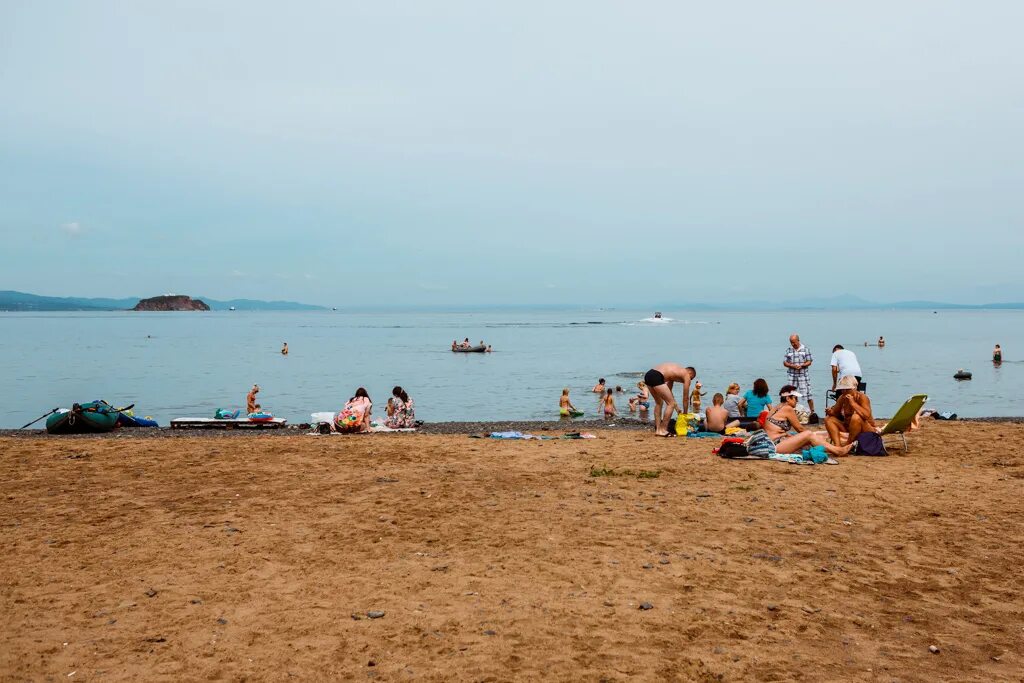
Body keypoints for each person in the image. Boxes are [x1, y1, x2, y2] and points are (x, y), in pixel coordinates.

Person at [763, 385, 855, 457]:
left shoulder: (776, 408)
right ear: (788, 398)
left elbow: (775, 429)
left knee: (815, 435)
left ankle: (837, 446)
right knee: (809, 435)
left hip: (772, 442)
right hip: (774, 446)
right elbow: (800, 429)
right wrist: (812, 435)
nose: (797, 401)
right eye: (795, 398)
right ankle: (838, 450)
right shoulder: (787, 408)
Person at [643, 363, 696, 436]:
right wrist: (685, 414)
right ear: (689, 372)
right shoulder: (686, 374)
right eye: (691, 378)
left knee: (659, 402)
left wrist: (677, 408)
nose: (690, 380)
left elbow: (669, 392)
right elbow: (686, 398)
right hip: (657, 376)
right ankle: (663, 429)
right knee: (670, 404)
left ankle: (658, 430)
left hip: (649, 375)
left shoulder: (674, 373)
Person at [825, 376, 877, 446]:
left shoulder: (862, 397)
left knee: (856, 417)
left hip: (866, 428)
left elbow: (866, 416)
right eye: (842, 390)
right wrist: (830, 412)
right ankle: (837, 446)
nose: (844, 392)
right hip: (848, 427)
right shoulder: (842, 398)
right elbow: (835, 413)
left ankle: (848, 444)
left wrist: (853, 404)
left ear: (854, 388)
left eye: (847, 390)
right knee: (828, 419)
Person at [783, 334, 816, 414]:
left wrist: (802, 365)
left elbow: (809, 361)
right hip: (792, 375)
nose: (793, 344)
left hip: (803, 375)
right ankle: (790, 411)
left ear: (798, 340)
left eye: (794, 342)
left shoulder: (805, 349)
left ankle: (812, 412)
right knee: (791, 394)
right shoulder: (789, 350)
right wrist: (792, 365)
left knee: (808, 394)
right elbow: (785, 362)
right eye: (791, 342)